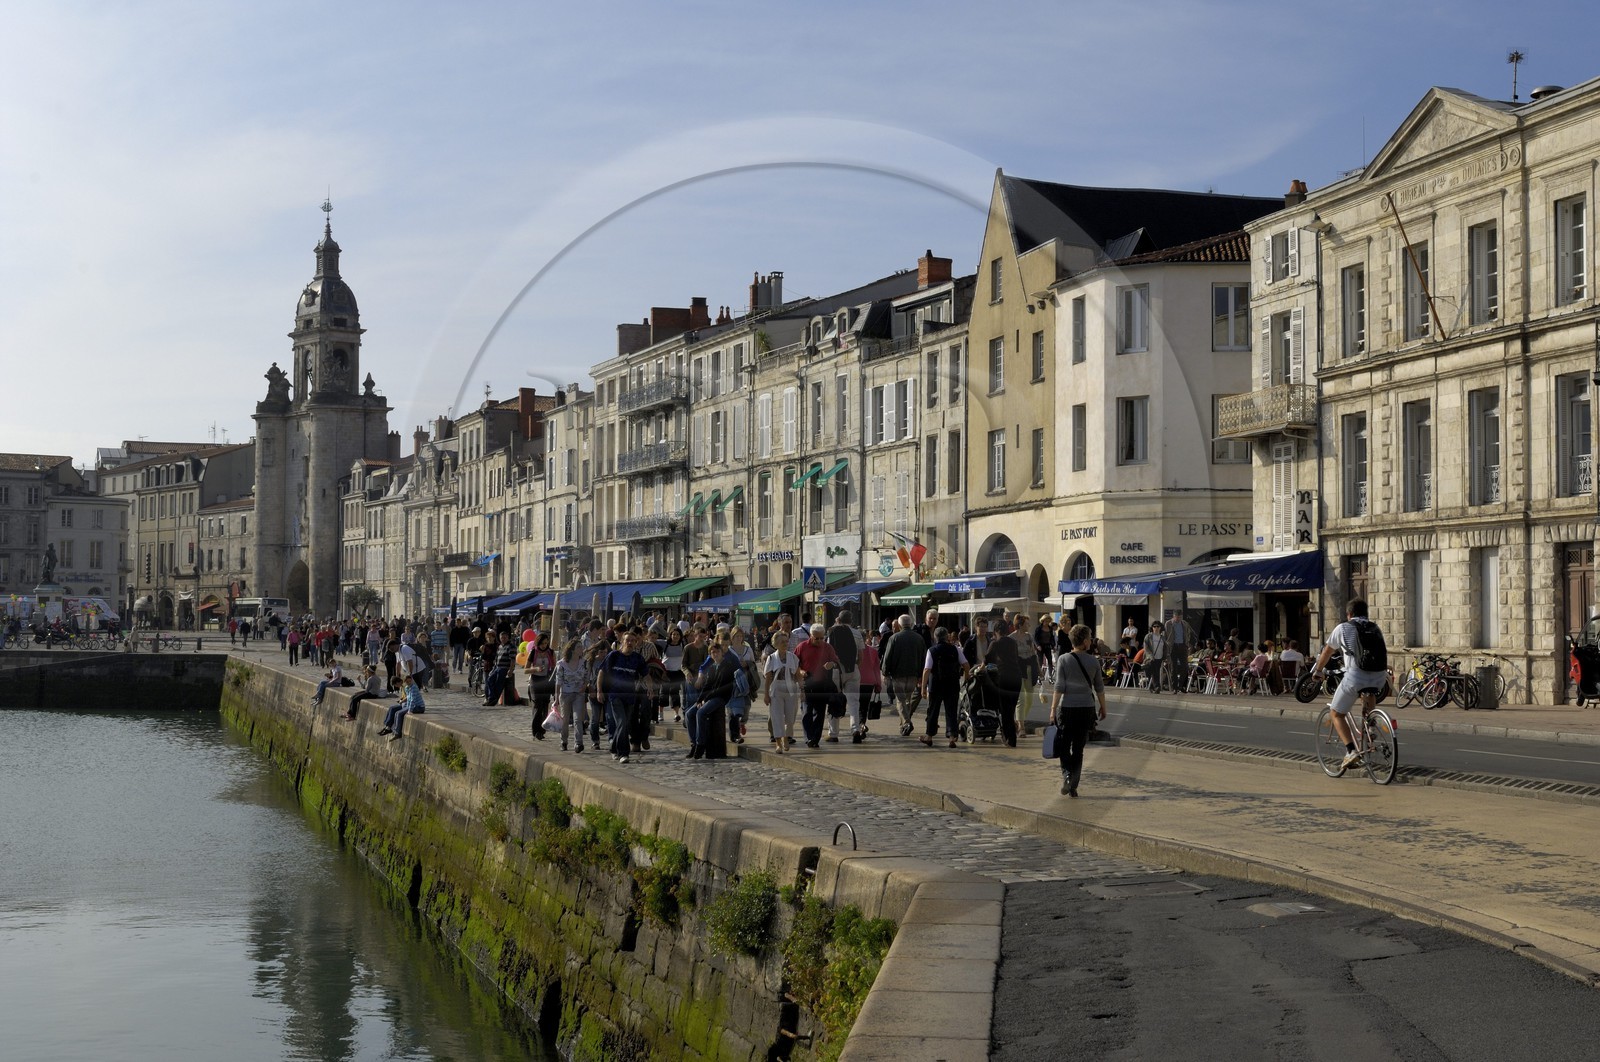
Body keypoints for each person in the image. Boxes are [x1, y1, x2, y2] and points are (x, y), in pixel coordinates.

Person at [1311, 599, 1388, 769]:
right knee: (1368, 693)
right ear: (1366, 613)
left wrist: (1318, 671)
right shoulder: (1375, 628)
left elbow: (1328, 651)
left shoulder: (1343, 628)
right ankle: (1371, 727)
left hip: (1355, 675)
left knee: (1336, 713)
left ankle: (1350, 751)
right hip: (1380, 677)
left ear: (1349, 614)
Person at [1050, 623, 1107, 797]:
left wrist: (1053, 709)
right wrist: (1103, 707)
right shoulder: (1093, 661)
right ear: (1084, 642)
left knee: (1064, 745)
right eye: (1089, 638)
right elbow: (1099, 687)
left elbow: (1059, 686)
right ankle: (1074, 783)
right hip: (1086, 709)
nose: (1091, 641)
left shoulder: (1064, 659)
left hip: (1067, 708)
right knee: (1079, 748)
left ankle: (1067, 776)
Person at [597, 629, 647, 763]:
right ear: (622, 641)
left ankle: (613, 747)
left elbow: (645, 674)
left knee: (623, 724)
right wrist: (599, 690)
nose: (629, 643)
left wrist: (651, 689)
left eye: (632, 640)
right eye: (627, 640)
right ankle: (623, 753)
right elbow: (601, 672)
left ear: (636, 643)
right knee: (622, 722)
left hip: (630, 696)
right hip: (615, 695)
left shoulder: (638, 658)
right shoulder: (614, 656)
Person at [794, 622, 840, 749]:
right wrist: (801, 671)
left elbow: (836, 662)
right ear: (811, 636)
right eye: (817, 638)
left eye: (822, 638)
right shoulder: (802, 647)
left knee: (819, 713)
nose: (820, 641)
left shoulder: (828, 647)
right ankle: (809, 737)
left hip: (822, 684)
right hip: (807, 683)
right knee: (807, 712)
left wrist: (832, 664)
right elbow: (794, 664)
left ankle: (815, 739)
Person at [919, 627, 967, 748]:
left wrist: (923, 688)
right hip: (952, 684)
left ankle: (929, 736)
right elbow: (966, 664)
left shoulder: (932, 650)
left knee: (933, 710)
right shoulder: (955, 649)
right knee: (951, 710)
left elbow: (927, 669)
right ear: (947, 637)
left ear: (935, 637)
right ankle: (952, 737)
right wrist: (966, 679)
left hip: (936, 684)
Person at [879, 615, 925, 737]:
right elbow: (923, 657)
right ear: (911, 624)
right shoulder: (919, 638)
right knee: (908, 699)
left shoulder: (894, 638)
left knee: (900, 700)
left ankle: (906, 723)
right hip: (913, 674)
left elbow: (887, 657)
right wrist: (921, 674)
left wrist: (885, 672)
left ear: (899, 625)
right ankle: (903, 725)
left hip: (898, 674)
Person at [826, 610, 867, 743]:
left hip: (836, 669)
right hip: (852, 669)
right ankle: (855, 729)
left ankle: (833, 734)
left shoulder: (832, 631)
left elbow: (828, 651)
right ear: (851, 620)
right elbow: (861, 656)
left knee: (834, 699)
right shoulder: (857, 633)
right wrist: (855, 667)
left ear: (839, 619)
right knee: (854, 702)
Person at [554, 638, 589, 752]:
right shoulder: (562, 664)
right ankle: (563, 741)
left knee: (578, 719)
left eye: (581, 646)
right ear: (572, 650)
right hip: (565, 694)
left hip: (579, 694)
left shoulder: (584, 662)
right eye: (578, 647)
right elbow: (558, 681)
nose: (581, 649)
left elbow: (587, 677)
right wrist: (556, 698)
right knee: (565, 719)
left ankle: (578, 743)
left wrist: (585, 685)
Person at [377, 673, 426, 741]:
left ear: (411, 680)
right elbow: (408, 698)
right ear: (405, 681)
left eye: (409, 681)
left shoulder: (413, 688)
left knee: (398, 713)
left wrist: (410, 710)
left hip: (418, 707)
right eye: (407, 681)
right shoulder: (406, 687)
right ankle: (389, 727)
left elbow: (412, 700)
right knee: (394, 710)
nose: (408, 683)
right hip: (409, 705)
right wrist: (402, 701)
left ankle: (397, 733)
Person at [1142, 621, 1167, 692]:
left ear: (1160, 628)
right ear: (1152, 628)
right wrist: (1150, 655)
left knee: (1156, 672)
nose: (1156, 628)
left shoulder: (1162, 637)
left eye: (1158, 627)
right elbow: (1146, 648)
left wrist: (1165, 657)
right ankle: (1157, 687)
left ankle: (1153, 687)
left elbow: (1165, 647)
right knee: (1153, 672)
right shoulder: (1148, 636)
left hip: (1159, 657)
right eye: (1154, 626)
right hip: (1151, 658)